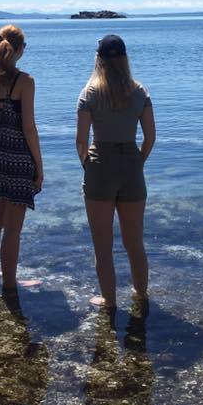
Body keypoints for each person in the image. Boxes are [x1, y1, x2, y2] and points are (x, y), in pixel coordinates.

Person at [76, 34, 156, 310]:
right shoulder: (140, 92)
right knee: (135, 242)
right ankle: (140, 295)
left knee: (103, 246)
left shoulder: (89, 93)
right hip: (131, 166)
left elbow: (80, 142)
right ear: (124, 58)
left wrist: (89, 166)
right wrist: (138, 162)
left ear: (98, 59)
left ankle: (109, 304)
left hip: (100, 166)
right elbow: (150, 138)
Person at [0, 24, 43, 294]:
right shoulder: (24, 82)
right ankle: (11, 284)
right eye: (24, 46)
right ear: (17, 50)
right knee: (13, 229)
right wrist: (39, 166)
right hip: (18, 160)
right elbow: (29, 128)